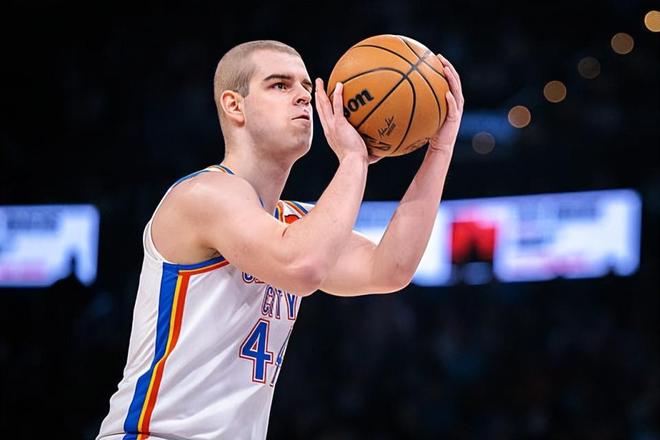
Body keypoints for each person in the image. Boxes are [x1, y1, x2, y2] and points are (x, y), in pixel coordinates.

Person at [97, 39, 464, 440]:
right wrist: (354, 159)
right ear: (234, 106)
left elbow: (390, 269)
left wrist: (440, 149)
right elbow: (303, 267)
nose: (303, 97)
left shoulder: (294, 224)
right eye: (279, 85)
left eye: (306, 86)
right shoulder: (203, 195)